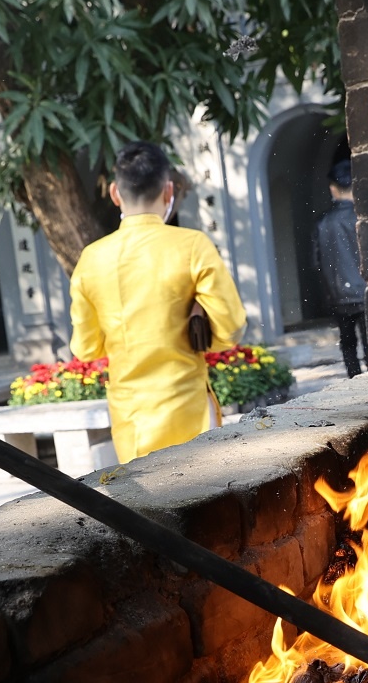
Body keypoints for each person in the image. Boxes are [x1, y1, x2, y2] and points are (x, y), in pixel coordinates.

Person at [68, 142, 247, 462]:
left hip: (131, 417)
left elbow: (86, 348)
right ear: (168, 191)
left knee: (149, 509)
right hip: (188, 408)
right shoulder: (192, 245)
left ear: (114, 193)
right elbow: (231, 329)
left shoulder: (92, 259)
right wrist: (202, 335)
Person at [314, 159, 367, 377]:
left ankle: (355, 381)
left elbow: (317, 262)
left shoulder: (324, 222)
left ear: (333, 188)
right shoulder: (363, 218)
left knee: (348, 345)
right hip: (366, 293)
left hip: (339, 295)